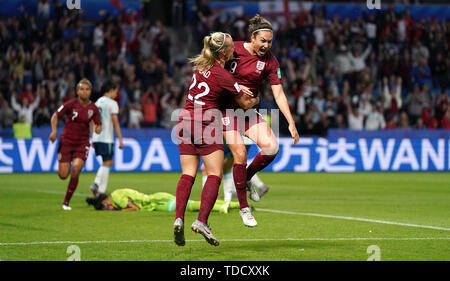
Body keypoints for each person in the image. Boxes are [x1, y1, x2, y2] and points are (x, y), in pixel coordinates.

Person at [173, 32, 257, 247]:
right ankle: (202, 221)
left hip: (184, 120)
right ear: (224, 52)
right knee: (214, 174)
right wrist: (258, 96)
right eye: (231, 47)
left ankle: (179, 218)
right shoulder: (224, 76)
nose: (234, 50)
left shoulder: (200, 66)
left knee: (187, 174)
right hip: (205, 123)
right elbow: (245, 102)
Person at [222, 14, 299, 227]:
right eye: (262, 41)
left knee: (272, 147)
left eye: (269, 41)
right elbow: (214, 70)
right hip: (225, 111)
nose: (266, 45)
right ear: (253, 38)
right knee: (240, 153)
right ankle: (244, 209)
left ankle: (246, 178)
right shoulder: (233, 49)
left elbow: (279, 94)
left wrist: (290, 122)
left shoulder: (271, 61)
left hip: (247, 113)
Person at [49, 78, 102, 210]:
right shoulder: (70, 104)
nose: (84, 92)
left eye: (87, 89)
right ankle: (64, 170)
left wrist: (97, 130)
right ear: (77, 91)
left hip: (82, 143)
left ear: (90, 92)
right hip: (66, 142)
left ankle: (66, 202)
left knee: (77, 168)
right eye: (82, 89)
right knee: (63, 175)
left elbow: (97, 123)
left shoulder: (93, 108)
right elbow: (55, 116)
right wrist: (54, 131)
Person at [89, 80, 124, 197]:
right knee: (107, 162)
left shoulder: (97, 102)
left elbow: (91, 121)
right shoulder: (112, 103)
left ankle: (98, 190)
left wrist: (93, 137)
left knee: (107, 162)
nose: (116, 94)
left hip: (97, 137)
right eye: (116, 91)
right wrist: (120, 139)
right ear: (111, 90)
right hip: (106, 138)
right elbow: (115, 122)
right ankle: (98, 186)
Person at [86, 188, 240, 213]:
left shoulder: (118, 198)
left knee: (191, 206)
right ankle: (234, 205)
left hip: (158, 202)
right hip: (158, 199)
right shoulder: (117, 192)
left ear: (105, 201)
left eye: (105, 206)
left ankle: (227, 206)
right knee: (191, 205)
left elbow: (135, 208)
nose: (108, 207)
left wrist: (120, 211)